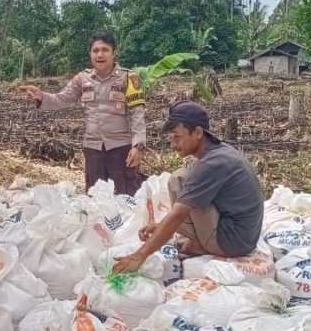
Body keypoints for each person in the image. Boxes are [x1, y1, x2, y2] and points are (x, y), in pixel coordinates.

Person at [113, 101, 264, 274]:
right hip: (244, 236)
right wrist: (160, 226)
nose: (172, 144)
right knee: (184, 179)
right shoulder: (221, 153)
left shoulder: (211, 164)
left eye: (177, 137)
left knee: (179, 181)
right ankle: (202, 242)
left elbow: (179, 214)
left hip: (233, 243)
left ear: (198, 132)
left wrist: (139, 256)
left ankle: (204, 245)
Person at [21, 30, 146, 195]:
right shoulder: (83, 79)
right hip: (93, 150)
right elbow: (62, 98)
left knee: (125, 197)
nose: (100, 54)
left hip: (121, 149)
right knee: (95, 198)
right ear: (90, 54)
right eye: (95, 50)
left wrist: (138, 146)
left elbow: (137, 114)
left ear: (113, 53)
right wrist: (41, 96)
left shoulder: (129, 78)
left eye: (105, 50)